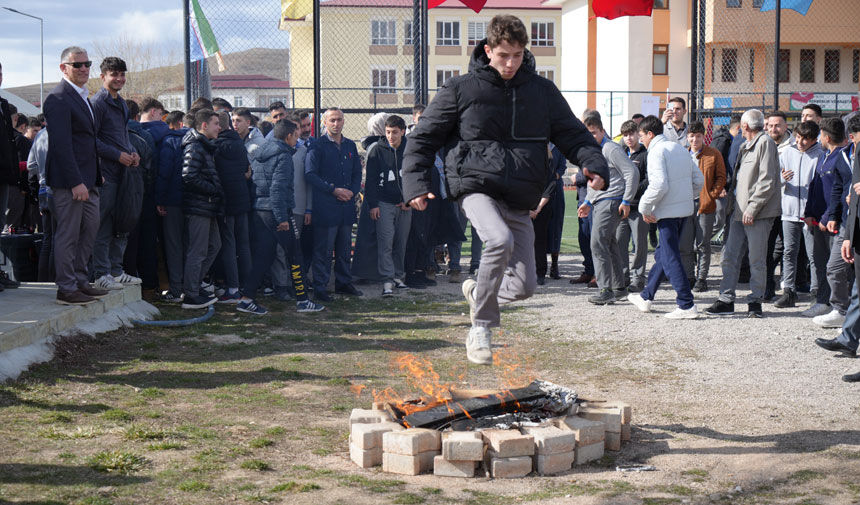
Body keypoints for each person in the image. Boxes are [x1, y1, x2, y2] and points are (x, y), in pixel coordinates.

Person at [401, 14, 609, 364]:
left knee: (525, 286)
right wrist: (416, 184)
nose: (510, 63)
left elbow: (573, 135)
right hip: (476, 185)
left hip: (520, 193)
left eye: (517, 55)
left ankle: (478, 293)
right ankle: (480, 327)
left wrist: (594, 163)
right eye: (503, 55)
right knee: (497, 240)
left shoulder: (542, 92)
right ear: (488, 50)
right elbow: (422, 139)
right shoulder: (460, 88)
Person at [43, 46, 110, 304]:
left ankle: (81, 281)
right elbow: (62, 144)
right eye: (77, 64)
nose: (84, 68)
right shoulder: (58, 98)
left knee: (89, 231)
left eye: (87, 64)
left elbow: (88, 141)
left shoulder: (83, 97)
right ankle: (66, 287)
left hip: (89, 180)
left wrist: (97, 174)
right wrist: (75, 182)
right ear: (63, 68)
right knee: (69, 234)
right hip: (70, 182)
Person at [237, 119, 324, 314]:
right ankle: (303, 300)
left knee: (264, 255)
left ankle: (246, 298)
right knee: (295, 254)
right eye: (296, 134)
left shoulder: (262, 151)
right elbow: (277, 189)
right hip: (277, 213)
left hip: (260, 210)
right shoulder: (283, 156)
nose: (298, 137)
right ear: (289, 136)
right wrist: (282, 218)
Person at [705, 109, 781, 318]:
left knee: (756, 260)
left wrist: (753, 207)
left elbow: (767, 181)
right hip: (738, 211)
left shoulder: (765, 143)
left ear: (744, 127)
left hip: (757, 213)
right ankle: (726, 299)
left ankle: (755, 302)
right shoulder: (746, 145)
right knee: (729, 256)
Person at [627, 116, 703, 319]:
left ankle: (686, 305)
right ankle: (646, 296)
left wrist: (644, 207)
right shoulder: (679, 148)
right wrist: (684, 198)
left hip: (667, 213)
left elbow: (659, 184)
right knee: (663, 254)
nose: (640, 139)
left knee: (670, 257)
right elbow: (698, 181)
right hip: (683, 211)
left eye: (641, 135)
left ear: (650, 134)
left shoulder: (656, 152)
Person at [90, 57, 142, 290]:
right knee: (103, 225)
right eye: (114, 74)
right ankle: (101, 273)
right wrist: (116, 155)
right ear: (103, 76)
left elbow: (122, 136)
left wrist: (132, 152)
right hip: (105, 174)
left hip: (125, 173)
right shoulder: (97, 103)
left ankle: (116, 270)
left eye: (122, 74)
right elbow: (91, 141)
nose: (119, 78)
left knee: (124, 221)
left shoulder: (121, 104)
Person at [815, 114, 860, 382]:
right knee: (858, 292)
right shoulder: (851, 155)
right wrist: (849, 237)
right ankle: (847, 338)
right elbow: (848, 193)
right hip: (854, 229)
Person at [305, 107, 364, 301]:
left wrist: (352, 191)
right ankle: (320, 286)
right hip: (326, 207)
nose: (336, 124)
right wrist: (333, 190)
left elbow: (357, 173)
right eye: (332, 120)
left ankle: (343, 283)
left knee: (345, 248)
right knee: (323, 250)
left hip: (346, 206)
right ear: (324, 122)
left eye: (339, 120)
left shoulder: (349, 145)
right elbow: (310, 174)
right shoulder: (317, 146)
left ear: (344, 121)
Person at [579, 115, 639, 304]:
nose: (590, 136)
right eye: (587, 134)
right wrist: (588, 202)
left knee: (597, 243)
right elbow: (593, 182)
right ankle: (619, 288)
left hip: (611, 201)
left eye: (593, 133)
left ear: (602, 131)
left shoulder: (610, 148)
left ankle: (605, 290)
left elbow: (632, 172)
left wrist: (626, 200)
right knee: (610, 244)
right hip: (600, 202)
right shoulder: (593, 151)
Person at [804, 118, 853, 323]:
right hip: (819, 220)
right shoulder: (825, 156)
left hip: (835, 222)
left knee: (839, 266)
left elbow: (840, 192)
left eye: (820, 135)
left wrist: (828, 216)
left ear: (826, 137)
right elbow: (816, 187)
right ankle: (825, 301)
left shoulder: (840, 159)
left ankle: (843, 309)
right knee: (822, 263)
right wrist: (809, 212)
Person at [775, 121, 824, 309]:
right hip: (788, 212)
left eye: (806, 139)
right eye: (798, 137)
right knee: (789, 252)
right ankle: (788, 291)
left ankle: (816, 292)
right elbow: (775, 179)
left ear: (814, 140)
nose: (801, 142)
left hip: (809, 214)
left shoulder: (819, 155)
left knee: (813, 254)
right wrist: (782, 178)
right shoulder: (786, 152)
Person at [180, 109, 223, 309]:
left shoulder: (205, 146)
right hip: (199, 206)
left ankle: (194, 286)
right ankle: (190, 294)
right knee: (198, 251)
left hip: (207, 206)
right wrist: (212, 190)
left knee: (215, 245)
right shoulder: (195, 146)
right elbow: (188, 175)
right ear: (204, 125)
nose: (220, 127)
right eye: (216, 123)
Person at [366, 115, 411, 296]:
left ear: (403, 131)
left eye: (394, 132)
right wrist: (373, 205)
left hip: (405, 204)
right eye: (388, 132)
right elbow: (371, 180)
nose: (391, 136)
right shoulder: (378, 150)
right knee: (386, 242)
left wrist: (409, 199)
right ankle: (387, 280)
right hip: (384, 203)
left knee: (401, 242)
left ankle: (399, 277)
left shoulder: (410, 149)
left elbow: (415, 176)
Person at [212, 112, 253, 303]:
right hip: (242, 199)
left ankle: (233, 288)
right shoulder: (239, 143)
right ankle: (247, 285)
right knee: (243, 243)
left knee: (228, 244)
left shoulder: (215, 146)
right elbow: (246, 170)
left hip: (226, 202)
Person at [686, 121, 726, 292]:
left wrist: (712, 195)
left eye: (698, 136)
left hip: (705, 204)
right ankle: (689, 276)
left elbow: (721, 177)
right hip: (685, 204)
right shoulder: (682, 154)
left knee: (703, 243)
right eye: (692, 136)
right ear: (687, 137)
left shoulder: (713, 154)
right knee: (686, 243)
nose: (695, 139)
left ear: (704, 137)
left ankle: (702, 278)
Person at [616, 119, 649, 292]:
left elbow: (648, 180)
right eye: (625, 135)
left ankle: (638, 278)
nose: (629, 138)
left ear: (638, 134)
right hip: (621, 207)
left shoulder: (646, 155)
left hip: (637, 207)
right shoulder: (620, 153)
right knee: (620, 242)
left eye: (631, 134)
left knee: (639, 245)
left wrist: (632, 192)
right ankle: (622, 276)